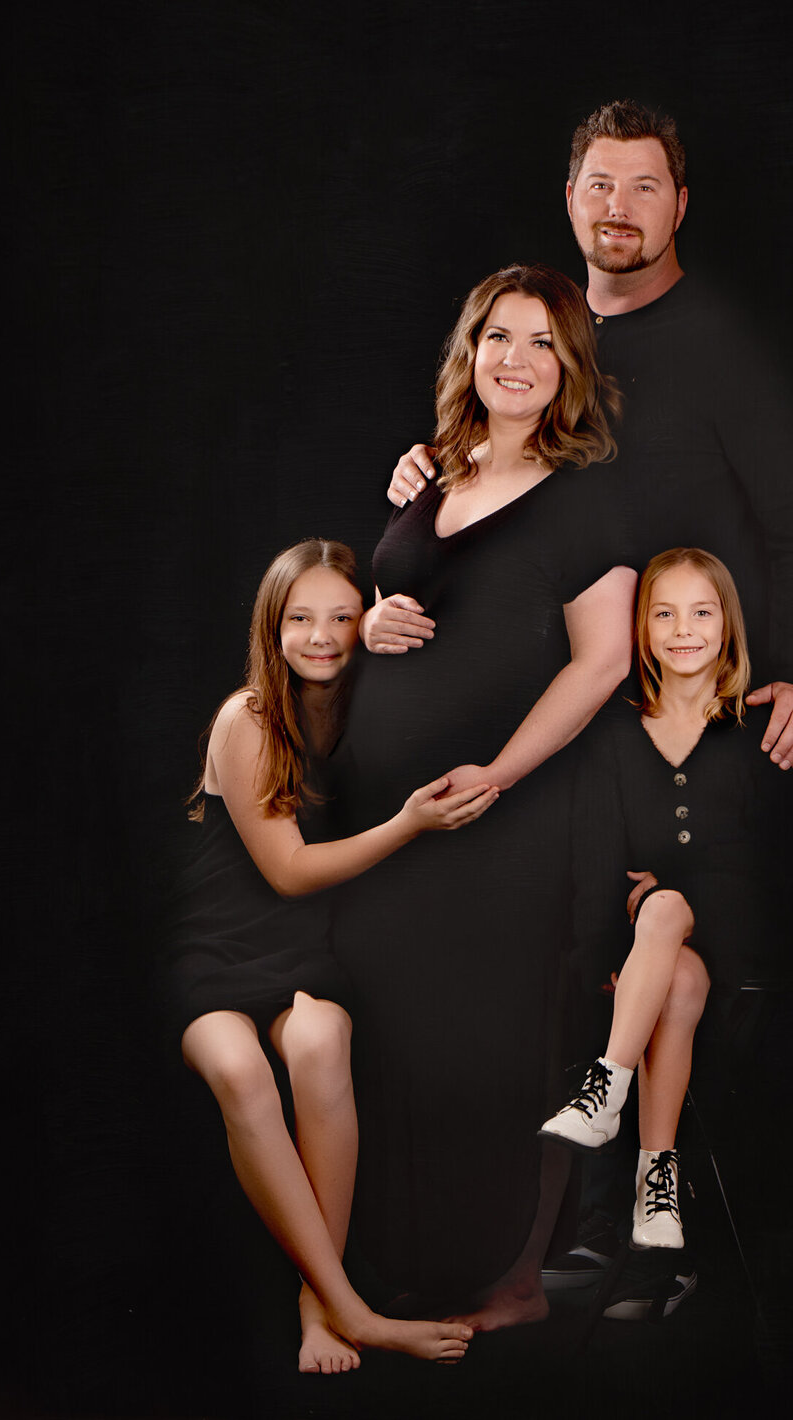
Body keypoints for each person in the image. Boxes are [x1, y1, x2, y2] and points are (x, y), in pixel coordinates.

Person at [333, 264, 636, 1329]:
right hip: (396, 820)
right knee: (408, 1041)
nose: (516, 359)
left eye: (543, 342)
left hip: (508, 813)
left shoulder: (589, 496)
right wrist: (369, 628)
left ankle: (513, 1283)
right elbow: (397, 604)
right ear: (471, 354)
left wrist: (500, 774)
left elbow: (599, 664)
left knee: (506, 1041)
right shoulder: (433, 474)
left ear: (569, 370)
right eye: (498, 337)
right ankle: (422, 1264)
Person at [384, 98, 793, 773]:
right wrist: (432, 472)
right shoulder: (546, 336)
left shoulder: (726, 351)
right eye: (600, 185)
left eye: (643, 187)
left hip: (680, 714)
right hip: (539, 713)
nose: (617, 206)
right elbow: (501, 469)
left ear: (680, 206)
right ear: (571, 199)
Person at [168, 538, 496, 1372]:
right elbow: (286, 872)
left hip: (310, 954)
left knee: (320, 1043)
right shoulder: (246, 717)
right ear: (270, 628)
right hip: (220, 951)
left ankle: (320, 1313)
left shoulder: (368, 704)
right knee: (239, 1071)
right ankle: (354, 1309)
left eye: (341, 617)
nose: (320, 636)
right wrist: (407, 825)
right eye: (300, 619)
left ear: (365, 625)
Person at [539, 548, 774, 1262]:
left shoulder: (756, 730)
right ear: (641, 630)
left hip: (741, 954)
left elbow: (759, 870)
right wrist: (613, 958)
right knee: (674, 969)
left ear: (727, 624)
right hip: (661, 968)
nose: (683, 629)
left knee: (666, 907)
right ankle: (656, 1181)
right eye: (663, 613)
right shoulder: (614, 735)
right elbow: (595, 864)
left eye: (701, 612)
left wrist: (667, 891)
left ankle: (606, 1091)